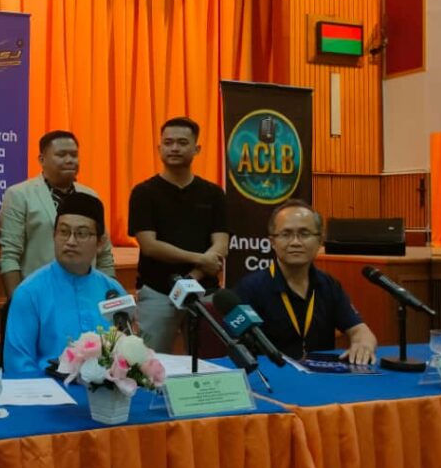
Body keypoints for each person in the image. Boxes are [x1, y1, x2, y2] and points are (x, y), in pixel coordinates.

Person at [128, 116, 229, 352]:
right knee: (148, 363)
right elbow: (150, 245)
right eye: (168, 142)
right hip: (158, 293)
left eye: (182, 143)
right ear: (159, 148)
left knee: (209, 363)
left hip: (204, 291)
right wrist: (200, 259)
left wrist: (192, 277)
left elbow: (221, 244)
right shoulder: (144, 193)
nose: (174, 148)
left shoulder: (214, 193)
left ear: (197, 149)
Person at [236, 200, 377, 363]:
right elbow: (238, 345)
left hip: (321, 374)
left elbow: (360, 330)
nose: (295, 242)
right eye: (286, 234)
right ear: (272, 242)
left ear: (320, 240)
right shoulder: (250, 288)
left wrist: (363, 344)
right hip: (272, 374)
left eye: (304, 234)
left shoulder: (329, 285)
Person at [3, 193, 129, 374]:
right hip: (47, 389)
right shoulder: (29, 293)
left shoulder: (113, 292)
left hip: (106, 389)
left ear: (100, 243)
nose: (70, 241)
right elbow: (19, 366)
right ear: (53, 236)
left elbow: (127, 355)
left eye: (81, 234)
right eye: (63, 232)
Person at [0, 130, 115, 300]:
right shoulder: (19, 195)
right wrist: (17, 302)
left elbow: (104, 255)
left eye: (74, 155)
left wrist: (110, 298)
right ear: (42, 160)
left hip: (86, 296)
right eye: (61, 155)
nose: (69, 160)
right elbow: (9, 255)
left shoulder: (91, 196)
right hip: (39, 297)